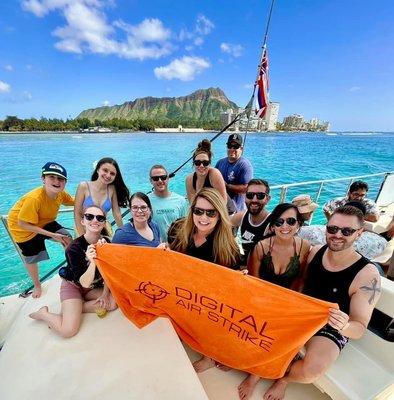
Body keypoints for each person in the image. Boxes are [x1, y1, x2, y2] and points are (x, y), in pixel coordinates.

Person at [262, 205, 381, 400]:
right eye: (332, 229)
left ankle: (284, 380)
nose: (337, 235)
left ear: (359, 234)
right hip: (303, 312)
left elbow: (358, 328)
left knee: (312, 370)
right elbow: (296, 280)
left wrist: (344, 325)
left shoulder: (367, 275)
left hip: (332, 325)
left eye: (347, 231)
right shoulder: (315, 252)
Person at [238, 203, 310, 399]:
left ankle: (257, 376)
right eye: (279, 222)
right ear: (272, 226)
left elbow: (300, 281)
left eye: (290, 221)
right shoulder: (261, 247)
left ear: (299, 224)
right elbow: (254, 283)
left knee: (285, 333)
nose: (284, 226)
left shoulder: (304, 247)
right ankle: (256, 372)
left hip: (289, 303)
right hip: (263, 300)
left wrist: (290, 308)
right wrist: (267, 309)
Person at [169, 188, 241, 372]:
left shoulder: (227, 247)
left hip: (208, 301)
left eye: (211, 212)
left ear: (219, 214)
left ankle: (209, 357)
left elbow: (229, 287)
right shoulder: (179, 232)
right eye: (198, 211)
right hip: (183, 292)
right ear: (192, 211)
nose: (203, 217)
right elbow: (172, 262)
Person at [29, 205, 117, 337]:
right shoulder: (74, 248)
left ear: (104, 222)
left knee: (113, 303)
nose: (95, 220)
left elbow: (109, 273)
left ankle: (76, 307)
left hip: (94, 287)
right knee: (68, 331)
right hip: (74, 286)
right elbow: (84, 282)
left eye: (100, 218)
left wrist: (105, 293)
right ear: (83, 221)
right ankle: (44, 314)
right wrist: (92, 262)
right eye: (89, 216)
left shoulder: (107, 243)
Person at [7, 162, 74, 298]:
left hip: (44, 221)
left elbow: (73, 201)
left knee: (67, 238)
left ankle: (72, 267)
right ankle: (37, 284)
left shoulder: (60, 194)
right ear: (43, 179)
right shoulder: (35, 199)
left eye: (60, 178)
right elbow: (23, 224)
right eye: (51, 177)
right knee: (32, 258)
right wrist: (51, 235)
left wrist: (93, 202)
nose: (56, 181)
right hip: (23, 229)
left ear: (65, 182)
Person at [74, 157, 130, 236]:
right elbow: (77, 213)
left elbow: (116, 213)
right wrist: (82, 237)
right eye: (105, 170)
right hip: (84, 227)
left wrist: (123, 233)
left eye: (112, 173)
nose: (108, 175)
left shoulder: (111, 189)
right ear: (98, 170)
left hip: (102, 228)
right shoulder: (84, 186)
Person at [186, 139, 236, 214]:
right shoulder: (189, 179)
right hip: (206, 214)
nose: (201, 166)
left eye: (205, 163)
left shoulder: (214, 174)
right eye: (197, 162)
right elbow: (193, 205)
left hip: (226, 212)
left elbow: (223, 202)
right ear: (194, 164)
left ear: (209, 163)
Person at [230, 179, 271, 261]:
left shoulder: (272, 224)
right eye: (250, 195)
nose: (254, 200)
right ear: (245, 197)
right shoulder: (242, 216)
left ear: (267, 199)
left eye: (260, 196)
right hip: (243, 264)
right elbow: (223, 225)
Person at [148, 164, 188, 241]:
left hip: (176, 246)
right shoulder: (146, 202)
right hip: (155, 247)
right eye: (155, 178)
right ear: (151, 181)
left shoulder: (181, 200)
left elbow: (185, 226)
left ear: (168, 178)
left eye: (163, 177)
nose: (160, 181)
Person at [215, 133, 253, 211]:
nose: (232, 149)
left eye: (235, 147)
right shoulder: (220, 162)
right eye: (229, 146)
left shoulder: (245, 165)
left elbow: (247, 188)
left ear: (241, 149)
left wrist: (226, 186)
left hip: (237, 210)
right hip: (221, 208)